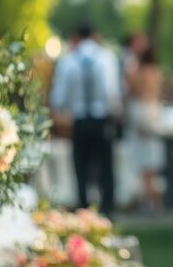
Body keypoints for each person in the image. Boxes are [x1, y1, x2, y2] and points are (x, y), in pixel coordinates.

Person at [49, 22, 122, 216]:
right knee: (106, 168)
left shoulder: (68, 61)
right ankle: (107, 210)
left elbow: (59, 98)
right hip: (102, 120)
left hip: (79, 121)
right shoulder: (107, 58)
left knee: (81, 168)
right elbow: (113, 92)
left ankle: (84, 209)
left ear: (75, 37)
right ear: (95, 36)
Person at [127, 45, 166, 212]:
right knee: (151, 164)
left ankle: (150, 199)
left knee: (145, 165)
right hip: (154, 112)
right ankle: (151, 199)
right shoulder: (157, 72)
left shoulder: (139, 73)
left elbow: (133, 90)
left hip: (143, 113)